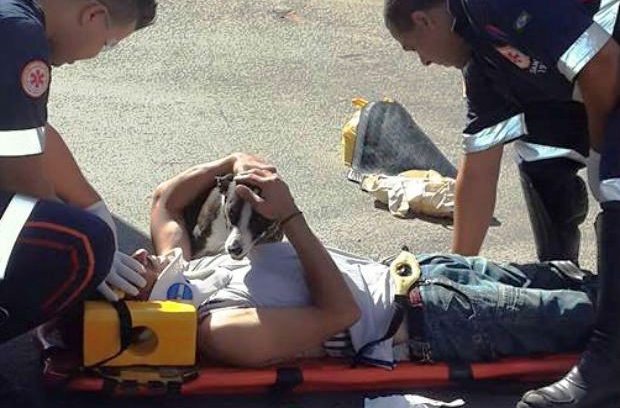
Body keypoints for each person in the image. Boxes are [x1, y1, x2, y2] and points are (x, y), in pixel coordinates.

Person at [382, 0, 620, 406]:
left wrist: (598, 152)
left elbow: (605, 64)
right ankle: (566, 286)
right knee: (540, 150)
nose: (424, 63)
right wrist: (457, 276)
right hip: (610, 64)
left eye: (414, 49)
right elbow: (479, 168)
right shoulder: (481, 55)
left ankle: (610, 363)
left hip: (614, 61)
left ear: (425, 21)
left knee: (615, 178)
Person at [140, 154, 598, 368]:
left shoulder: (181, 272)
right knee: (600, 317)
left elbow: (164, 201)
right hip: (437, 318)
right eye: (122, 276)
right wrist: (291, 216)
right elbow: (341, 313)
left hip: (424, 270)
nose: (137, 255)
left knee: (593, 284)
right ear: (136, 307)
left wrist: (236, 160)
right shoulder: (217, 329)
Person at [0, 0, 157, 345]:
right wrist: (96, 249)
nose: (94, 56)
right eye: (107, 44)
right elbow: (19, 175)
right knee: (80, 245)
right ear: (93, 15)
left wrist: (91, 204)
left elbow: (28, 133)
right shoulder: (20, 37)